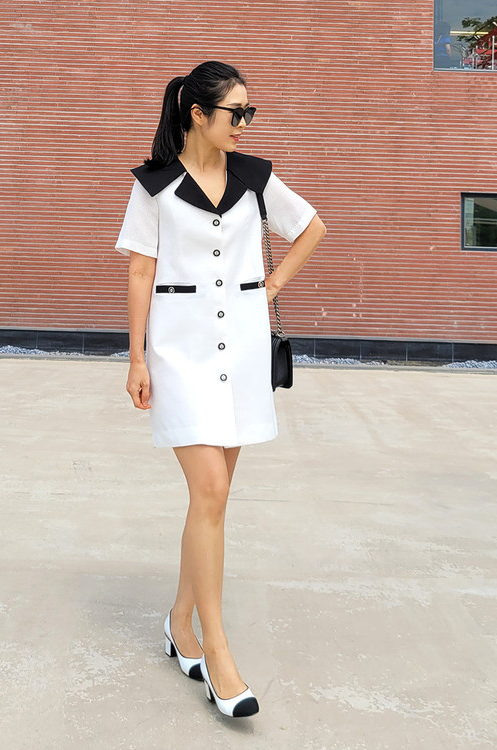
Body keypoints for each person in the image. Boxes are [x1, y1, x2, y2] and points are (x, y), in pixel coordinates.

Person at [114, 60, 326, 718]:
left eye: (249, 113)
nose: (245, 124)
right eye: (237, 113)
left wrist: (271, 286)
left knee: (213, 500)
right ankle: (218, 653)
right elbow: (140, 274)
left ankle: (179, 624)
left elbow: (312, 227)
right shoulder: (154, 186)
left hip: (242, 349)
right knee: (209, 491)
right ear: (198, 114)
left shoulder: (254, 177)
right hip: (179, 354)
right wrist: (136, 359)